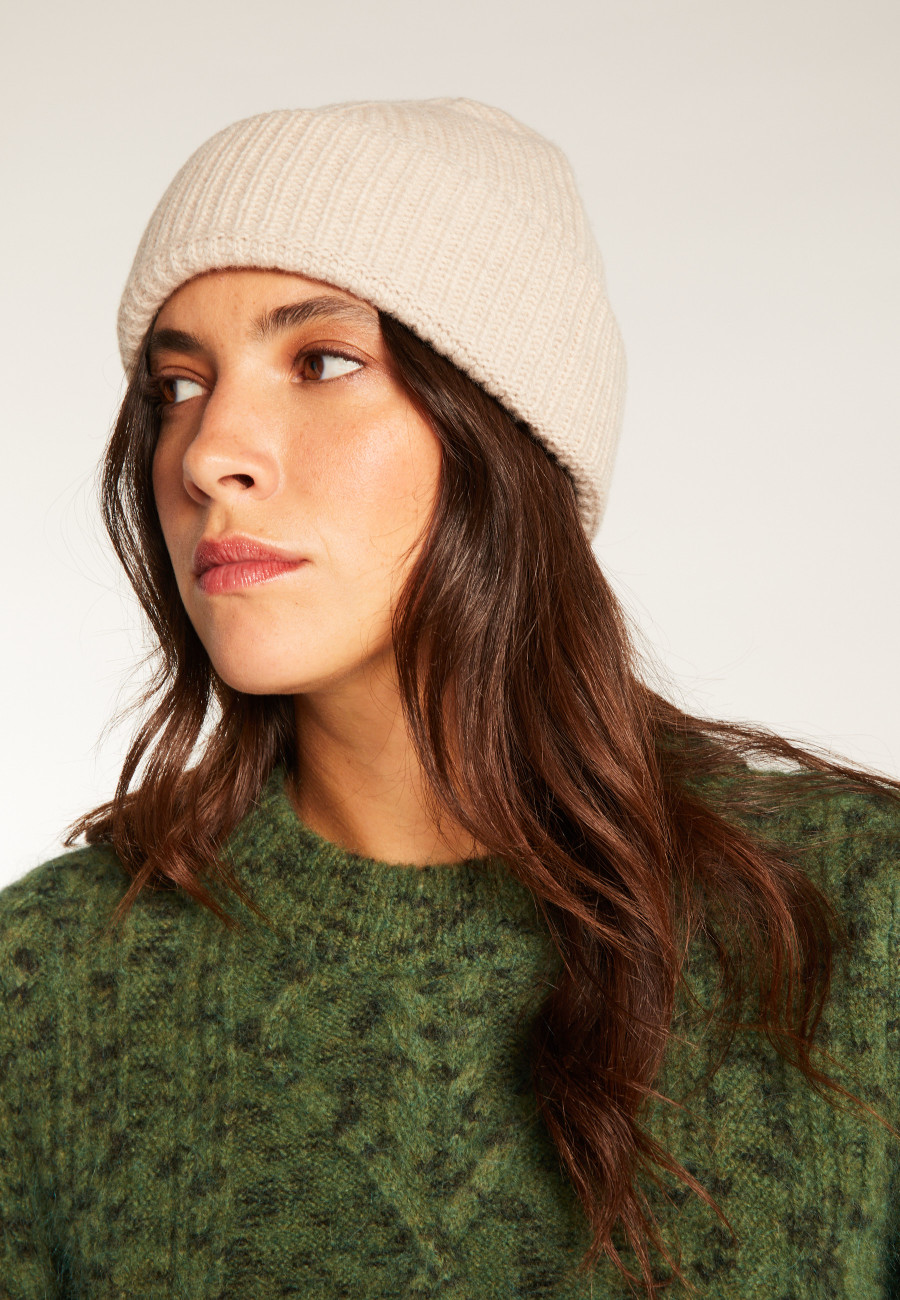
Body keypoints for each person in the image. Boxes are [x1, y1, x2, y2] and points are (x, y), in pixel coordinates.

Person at [1, 98, 898, 1300]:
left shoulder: (857, 920)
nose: (209, 452)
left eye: (321, 362)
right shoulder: (48, 985)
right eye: (177, 384)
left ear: (507, 429)